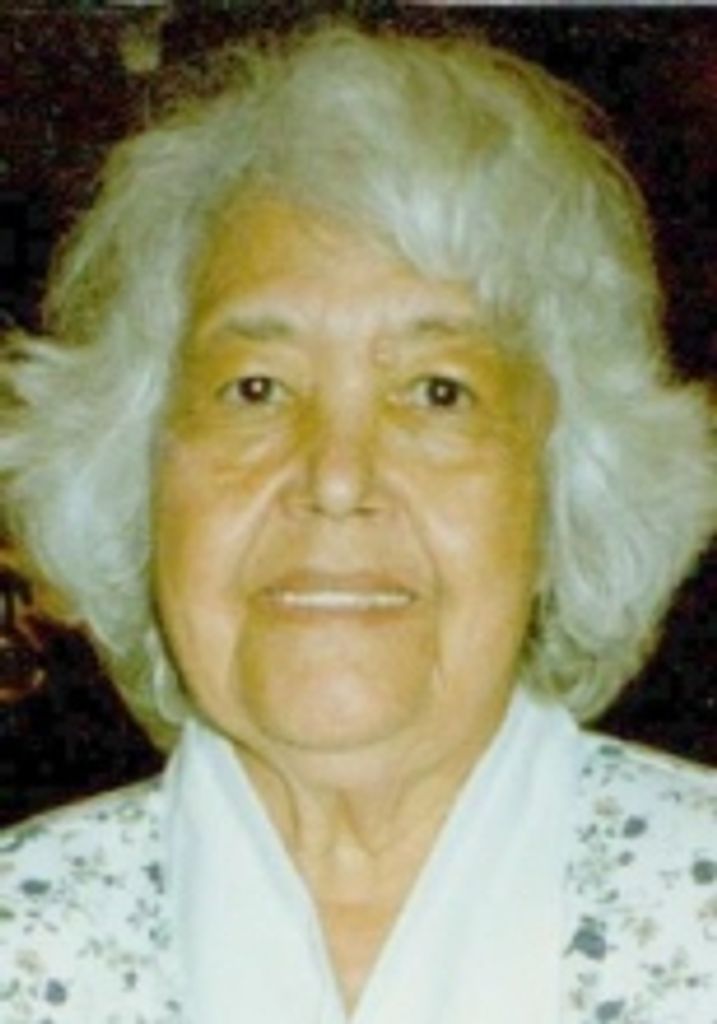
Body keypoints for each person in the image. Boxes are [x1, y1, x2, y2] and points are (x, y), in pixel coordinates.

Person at [0, 21, 715, 1024]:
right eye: (254, 388)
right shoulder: (22, 939)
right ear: (137, 472)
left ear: (563, 485)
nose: (335, 478)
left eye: (436, 392)